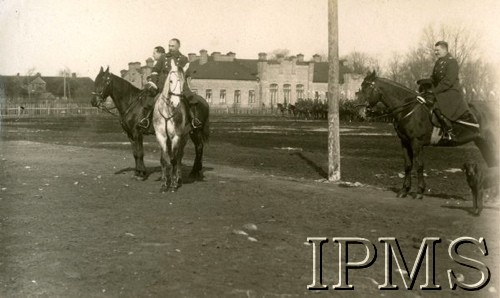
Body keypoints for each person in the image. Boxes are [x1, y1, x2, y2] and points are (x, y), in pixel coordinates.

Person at [428, 41, 469, 140]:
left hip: (451, 92)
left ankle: (449, 130)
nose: (435, 52)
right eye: (435, 50)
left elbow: (448, 81)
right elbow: (433, 78)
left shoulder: (452, 62)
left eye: (437, 50)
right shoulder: (438, 62)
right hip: (441, 90)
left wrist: (435, 91)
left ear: (444, 49)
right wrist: (425, 84)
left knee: (437, 106)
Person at [164, 38, 202, 128]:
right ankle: (146, 120)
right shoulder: (164, 57)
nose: (170, 48)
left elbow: (188, 74)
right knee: (150, 98)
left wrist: (187, 85)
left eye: (172, 46)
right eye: (169, 46)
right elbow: (156, 70)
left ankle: (194, 119)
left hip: (179, 85)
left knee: (190, 98)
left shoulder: (183, 59)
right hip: (164, 85)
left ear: (178, 47)